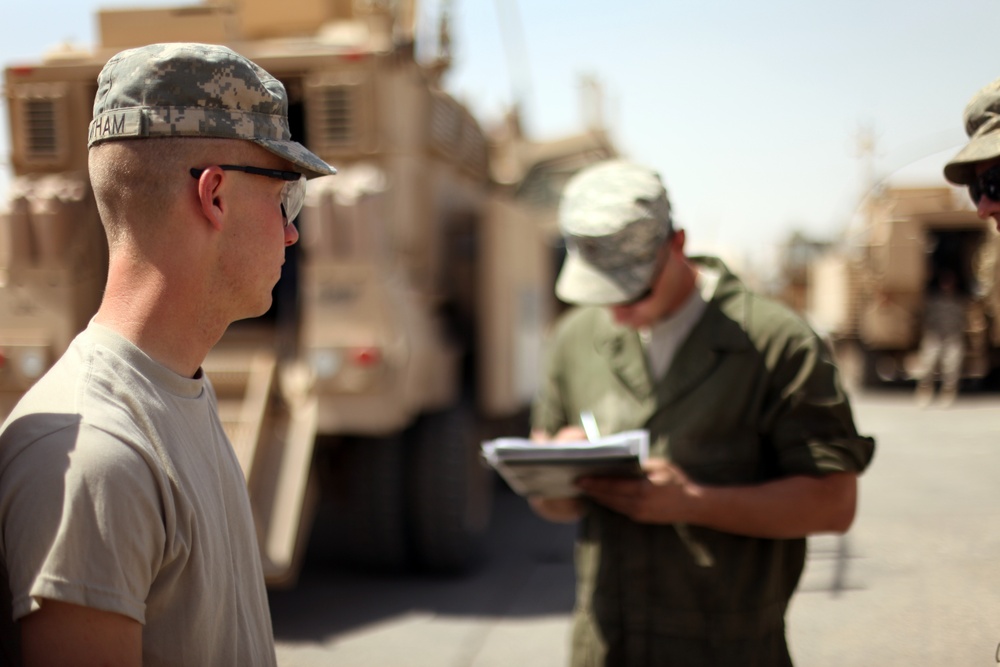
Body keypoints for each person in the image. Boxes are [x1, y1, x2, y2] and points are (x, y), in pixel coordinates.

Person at [0, 43, 336, 666]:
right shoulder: (96, 460)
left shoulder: (176, 390)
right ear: (214, 196)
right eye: (285, 197)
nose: (292, 230)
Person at [529, 160, 875, 666]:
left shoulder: (775, 343)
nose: (617, 312)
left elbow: (833, 503)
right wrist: (556, 475)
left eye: (633, 291)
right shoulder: (574, 338)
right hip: (605, 645)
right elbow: (556, 507)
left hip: (725, 649)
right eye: (599, 294)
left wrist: (692, 502)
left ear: (677, 245)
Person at [914, 269, 967, 407]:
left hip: (952, 336)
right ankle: (925, 392)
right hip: (935, 335)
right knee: (928, 365)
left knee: (951, 366)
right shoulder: (934, 301)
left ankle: (948, 393)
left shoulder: (959, 302)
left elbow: (964, 320)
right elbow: (925, 318)